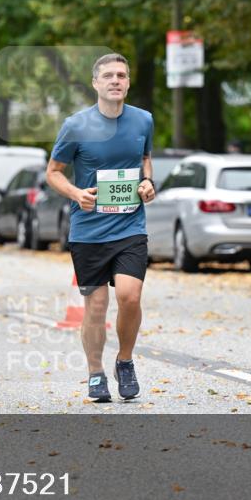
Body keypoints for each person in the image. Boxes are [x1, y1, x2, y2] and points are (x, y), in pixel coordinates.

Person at [46, 53, 155, 402]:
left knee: (130, 296)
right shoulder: (75, 125)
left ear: (127, 82)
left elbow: (144, 159)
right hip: (89, 231)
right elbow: (53, 172)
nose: (115, 81)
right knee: (95, 306)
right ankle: (95, 373)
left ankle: (124, 361)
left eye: (121, 75)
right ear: (95, 83)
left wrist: (148, 182)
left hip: (129, 226)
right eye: (108, 75)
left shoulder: (143, 121)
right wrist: (77, 194)